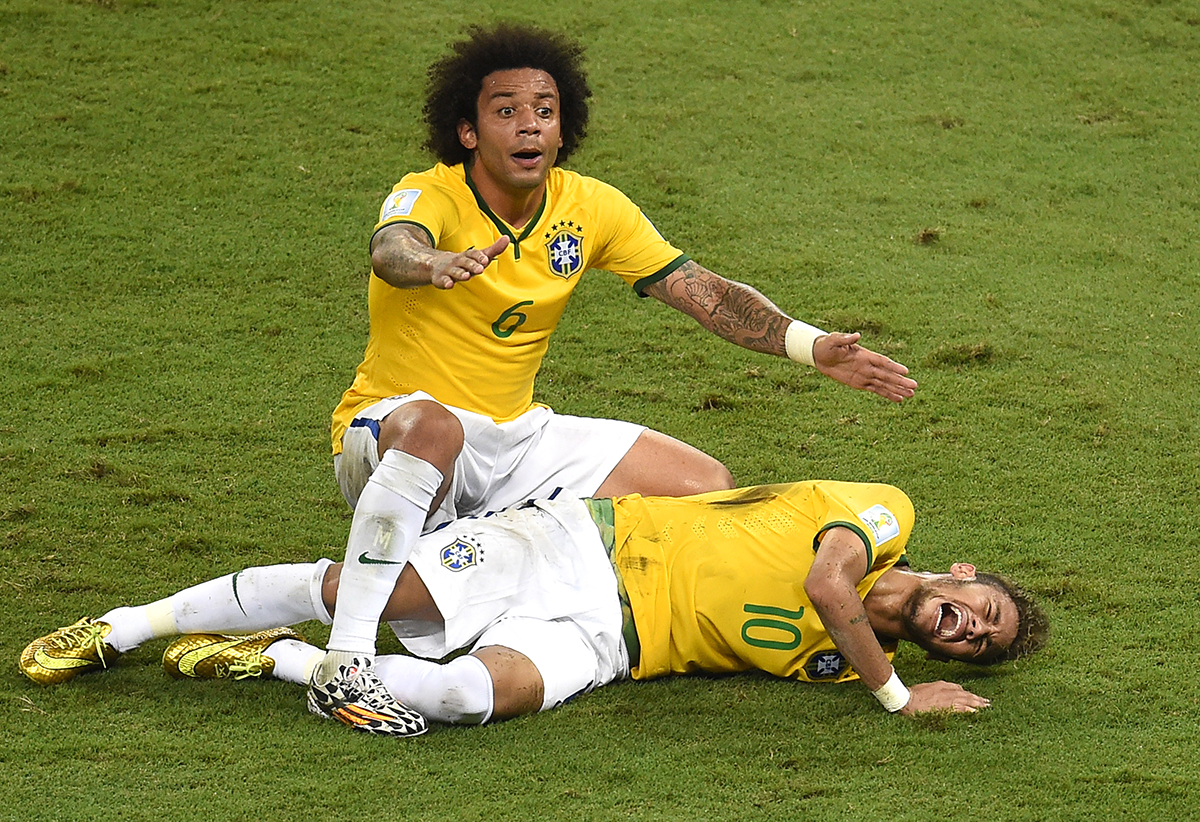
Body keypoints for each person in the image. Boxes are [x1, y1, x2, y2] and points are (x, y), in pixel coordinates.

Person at [317, 22, 921, 731]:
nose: (528, 124)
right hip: (394, 431)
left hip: (515, 434)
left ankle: (551, 584)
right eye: (505, 109)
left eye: (543, 109)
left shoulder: (590, 208)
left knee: (704, 488)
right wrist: (431, 266)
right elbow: (392, 247)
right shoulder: (432, 194)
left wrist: (810, 345)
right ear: (469, 131)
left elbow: (700, 289)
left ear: (563, 126)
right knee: (437, 428)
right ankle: (347, 659)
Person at [21, 480, 1047, 736]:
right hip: (575, 543)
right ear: (957, 573)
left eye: (981, 642)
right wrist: (901, 699)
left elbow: (836, 636)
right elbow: (831, 589)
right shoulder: (882, 518)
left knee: (471, 700)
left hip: (606, 640)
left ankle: (268, 658)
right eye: (979, 606)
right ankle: (126, 625)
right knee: (373, 591)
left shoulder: (839, 663)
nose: (969, 625)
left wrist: (893, 682)